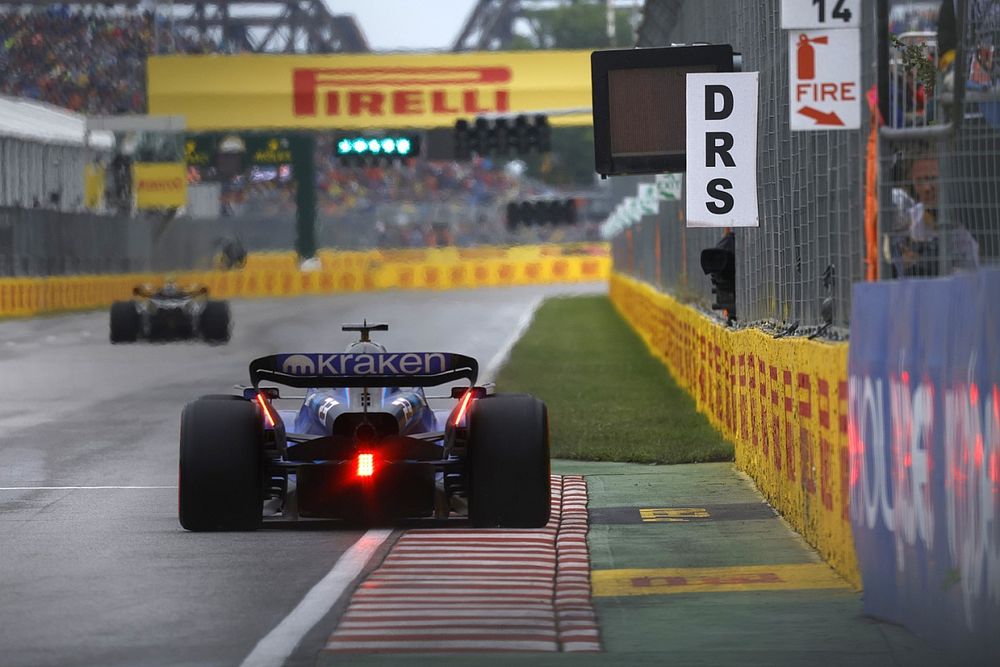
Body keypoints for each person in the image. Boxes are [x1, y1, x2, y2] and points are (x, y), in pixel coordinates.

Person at [886, 153, 980, 277]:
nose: (926, 187)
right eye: (919, 180)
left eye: (932, 178)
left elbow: (971, 277)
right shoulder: (909, 219)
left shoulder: (964, 220)